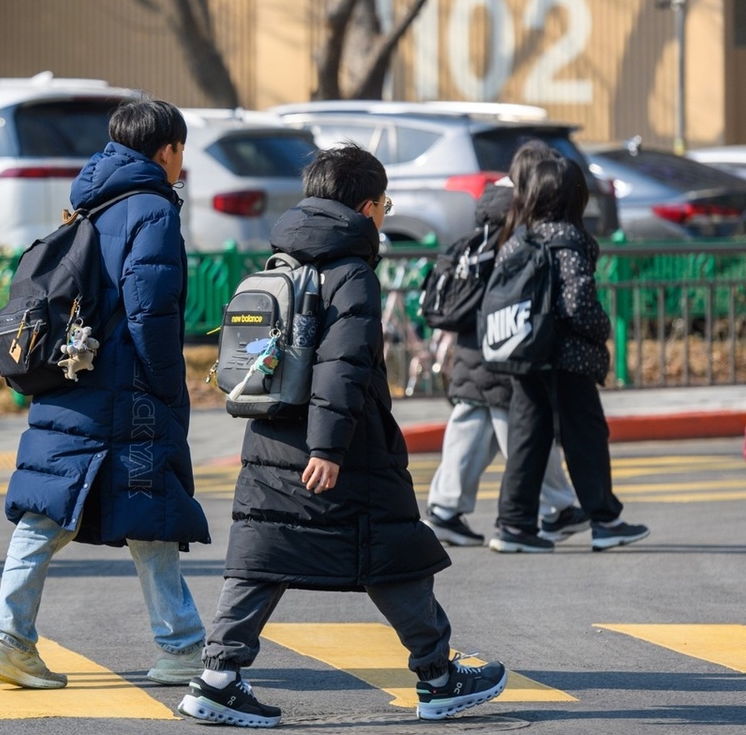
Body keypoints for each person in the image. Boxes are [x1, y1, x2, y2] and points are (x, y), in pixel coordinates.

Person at [179, 146, 506, 728]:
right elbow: (344, 363)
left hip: (269, 435)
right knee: (394, 554)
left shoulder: (282, 259)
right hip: (344, 448)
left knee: (262, 555)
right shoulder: (351, 271)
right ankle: (437, 677)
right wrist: (328, 448)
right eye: (384, 204)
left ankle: (218, 678)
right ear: (365, 207)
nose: (384, 214)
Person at [0, 99, 209, 690]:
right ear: (167, 150)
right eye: (181, 151)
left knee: (57, 509)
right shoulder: (152, 209)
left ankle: (14, 636)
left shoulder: (89, 201)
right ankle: (172, 647)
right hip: (124, 391)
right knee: (135, 512)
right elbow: (151, 313)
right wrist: (167, 387)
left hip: (69, 378)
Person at [424, 144, 586, 548]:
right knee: (522, 426)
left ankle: (446, 508)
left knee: (476, 422)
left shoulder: (489, 212)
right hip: (501, 342)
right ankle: (558, 506)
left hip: (475, 342)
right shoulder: (516, 219)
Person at [489, 156, 650, 553]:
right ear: (574, 197)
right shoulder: (569, 240)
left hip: (524, 353)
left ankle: (514, 524)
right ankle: (606, 520)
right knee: (587, 437)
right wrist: (602, 329)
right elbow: (578, 304)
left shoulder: (517, 241)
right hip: (567, 359)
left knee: (528, 438)